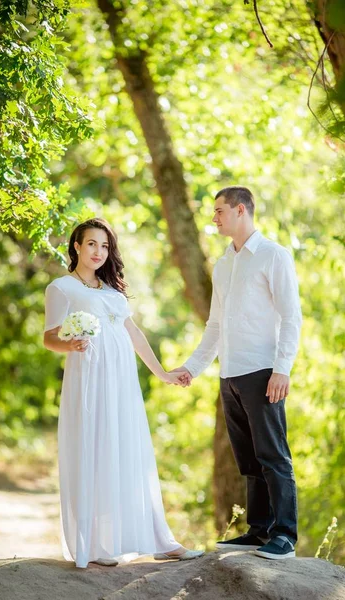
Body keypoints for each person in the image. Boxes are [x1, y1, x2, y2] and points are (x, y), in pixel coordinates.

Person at [43, 217, 203, 568]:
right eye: (91, 244)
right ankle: (97, 545)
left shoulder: (112, 290)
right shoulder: (61, 288)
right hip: (89, 379)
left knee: (129, 449)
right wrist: (70, 346)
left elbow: (133, 332)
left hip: (122, 381)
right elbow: (49, 337)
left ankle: (160, 540)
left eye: (104, 245)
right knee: (95, 448)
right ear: (76, 246)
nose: (99, 252)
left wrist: (161, 372)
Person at [174, 186, 302, 560]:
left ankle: (285, 535)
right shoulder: (223, 264)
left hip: (263, 372)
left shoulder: (273, 256)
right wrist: (192, 368)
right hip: (229, 375)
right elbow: (214, 326)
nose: (213, 218)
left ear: (240, 210)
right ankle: (259, 530)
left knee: (273, 455)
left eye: (219, 211)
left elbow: (291, 317)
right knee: (248, 459)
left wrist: (282, 369)